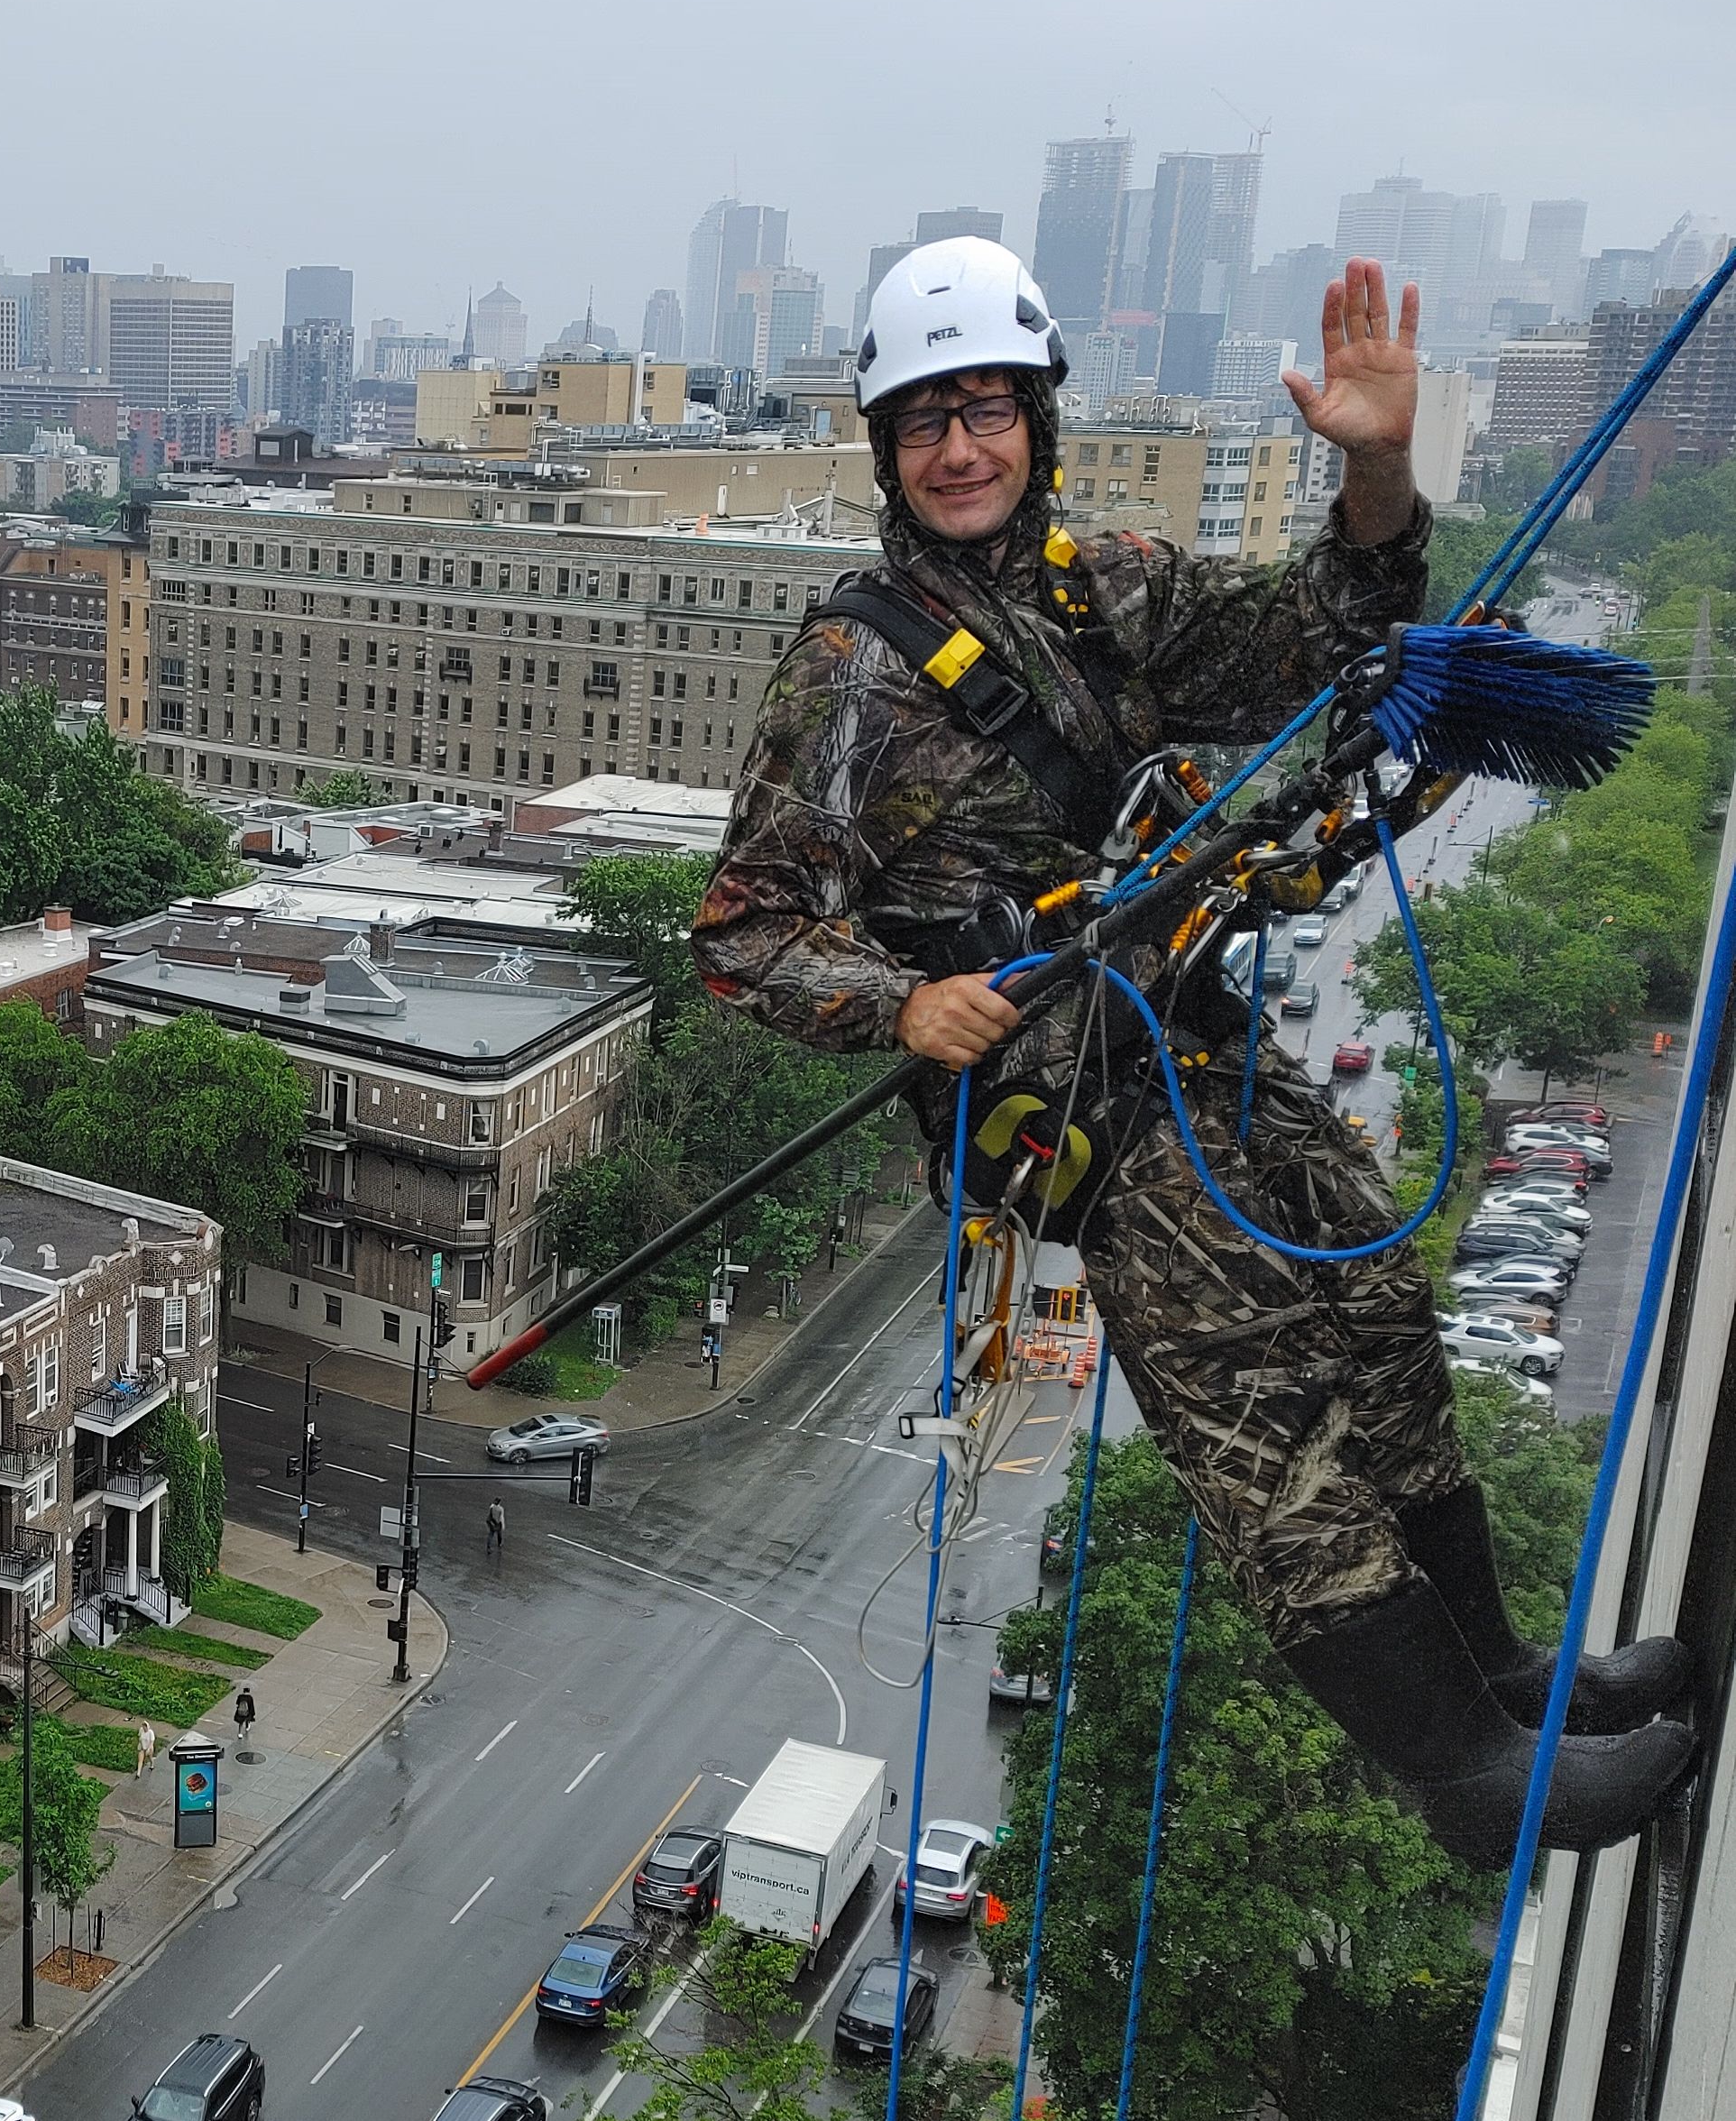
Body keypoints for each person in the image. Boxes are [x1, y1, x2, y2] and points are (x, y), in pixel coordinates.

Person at [692, 238, 1691, 1868]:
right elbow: (739, 925)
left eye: (988, 412)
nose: (960, 448)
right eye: (926, 420)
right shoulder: (850, 672)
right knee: (1260, 1416)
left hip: (1181, 1029)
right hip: (1056, 1100)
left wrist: (1373, 467)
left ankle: (1496, 1670)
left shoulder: (1107, 590)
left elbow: (1326, 626)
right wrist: (900, 1006)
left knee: (1369, 1295)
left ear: (1035, 423)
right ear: (886, 449)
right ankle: (1470, 1779)